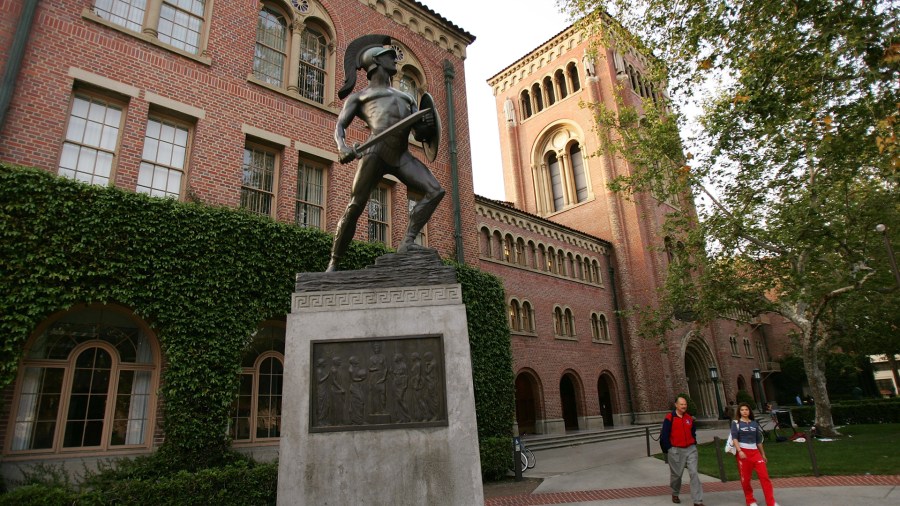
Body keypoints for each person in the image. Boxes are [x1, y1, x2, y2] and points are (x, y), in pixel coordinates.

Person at [326, 35, 443, 272]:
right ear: (377, 62)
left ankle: (408, 241)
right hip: (374, 153)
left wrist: (428, 123)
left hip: (401, 155)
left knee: (435, 190)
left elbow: (419, 133)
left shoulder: (407, 98)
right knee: (356, 205)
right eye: (390, 57)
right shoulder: (360, 97)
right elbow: (339, 126)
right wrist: (342, 147)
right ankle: (334, 261)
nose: (395, 61)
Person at [731, 402, 779, 506]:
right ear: (739, 412)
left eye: (746, 410)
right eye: (742, 410)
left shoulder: (754, 423)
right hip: (743, 452)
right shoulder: (736, 423)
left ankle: (771, 502)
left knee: (764, 477)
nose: (744, 411)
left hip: (755, 452)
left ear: (749, 411)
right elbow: (734, 437)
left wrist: (763, 454)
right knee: (746, 479)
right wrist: (740, 451)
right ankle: (750, 500)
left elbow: (758, 440)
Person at [660, 396, 703, 505]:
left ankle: (698, 501)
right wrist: (669, 449)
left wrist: (694, 442)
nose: (684, 406)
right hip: (676, 450)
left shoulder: (689, 418)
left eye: (685, 404)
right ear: (676, 405)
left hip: (691, 449)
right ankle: (675, 493)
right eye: (682, 404)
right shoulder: (670, 418)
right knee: (677, 475)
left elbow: (693, 431)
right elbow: (664, 436)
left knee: (694, 473)